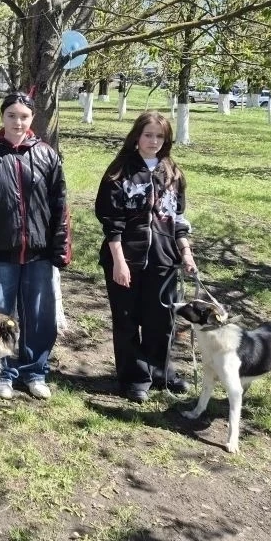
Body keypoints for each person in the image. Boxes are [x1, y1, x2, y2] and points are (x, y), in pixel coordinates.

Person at [0, 91, 68, 400]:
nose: (17, 122)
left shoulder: (47, 155)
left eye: (24, 116)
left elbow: (60, 205)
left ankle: (35, 371)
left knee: (40, 316)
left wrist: (61, 246)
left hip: (39, 253)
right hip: (0, 254)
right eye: (11, 115)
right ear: (2, 117)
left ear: (32, 118)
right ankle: (2, 373)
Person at [94, 110, 198, 403]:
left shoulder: (173, 174)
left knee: (161, 320)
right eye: (148, 135)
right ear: (136, 137)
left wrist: (186, 253)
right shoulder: (119, 173)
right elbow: (111, 222)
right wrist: (119, 262)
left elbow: (178, 218)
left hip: (164, 259)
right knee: (127, 321)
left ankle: (160, 371)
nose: (153, 141)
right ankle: (135, 377)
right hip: (126, 257)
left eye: (159, 136)